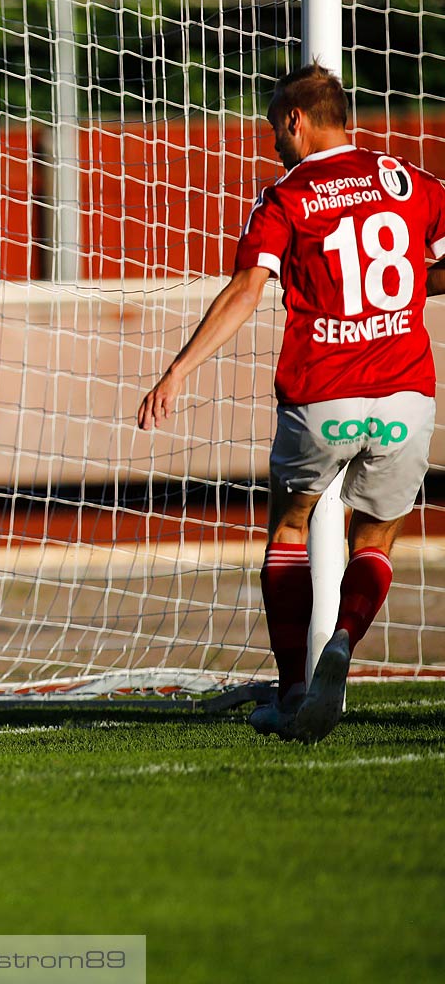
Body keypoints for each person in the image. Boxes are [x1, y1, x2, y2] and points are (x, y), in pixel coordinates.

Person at [139, 63, 445, 744]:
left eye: (275, 125)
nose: (273, 139)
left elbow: (249, 288)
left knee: (288, 529)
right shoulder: (405, 179)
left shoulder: (288, 194)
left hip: (322, 395)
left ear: (296, 120)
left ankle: (292, 690)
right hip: (406, 391)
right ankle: (343, 640)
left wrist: (179, 370)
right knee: (374, 538)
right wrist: (407, 294)